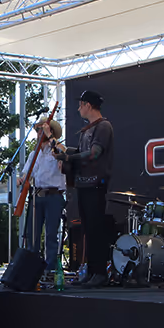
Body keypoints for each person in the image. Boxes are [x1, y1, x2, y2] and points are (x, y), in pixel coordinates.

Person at [54, 90, 114, 288]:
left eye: (81, 105)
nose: (79, 108)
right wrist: (63, 153)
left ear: (88, 105)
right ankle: (92, 271)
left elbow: (95, 153)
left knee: (96, 228)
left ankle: (100, 273)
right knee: (88, 229)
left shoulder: (103, 126)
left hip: (95, 183)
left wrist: (69, 157)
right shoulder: (87, 130)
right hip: (83, 183)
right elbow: (81, 152)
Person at [18, 118, 66, 273]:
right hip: (37, 196)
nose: (39, 133)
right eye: (38, 130)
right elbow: (27, 174)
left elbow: (65, 154)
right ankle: (32, 269)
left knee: (51, 234)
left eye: (42, 129)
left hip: (54, 195)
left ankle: (50, 268)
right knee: (33, 234)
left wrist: (50, 138)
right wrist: (21, 180)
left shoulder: (57, 150)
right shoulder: (34, 153)